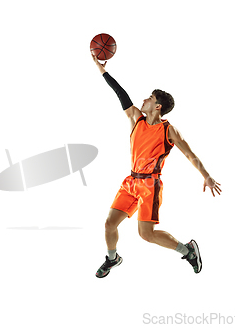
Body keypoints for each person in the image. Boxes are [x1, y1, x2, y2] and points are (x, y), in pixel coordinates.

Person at [92, 54, 221, 278]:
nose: (144, 100)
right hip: (131, 181)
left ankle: (187, 250)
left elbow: (190, 155)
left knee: (146, 235)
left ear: (157, 106)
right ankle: (113, 259)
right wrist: (102, 70)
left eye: (149, 98)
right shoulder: (136, 119)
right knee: (109, 224)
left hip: (150, 185)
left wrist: (206, 176)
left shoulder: (168, 130)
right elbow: (120, 93)